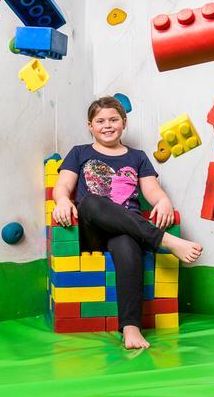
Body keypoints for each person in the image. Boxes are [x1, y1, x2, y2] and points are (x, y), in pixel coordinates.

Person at [52, 96, 203, 349]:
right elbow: (63, 186)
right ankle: (164, 240)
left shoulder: (138, 157)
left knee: (127, 246)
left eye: (113, 119)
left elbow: (152, 191)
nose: (107, 125)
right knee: (91, 201)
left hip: (126, 230)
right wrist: (62, 201)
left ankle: (131, 329)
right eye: (100, 121)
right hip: (92, 229)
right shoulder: (80, 152)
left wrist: (163, 201)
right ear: (90, 126)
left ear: (124, 123)